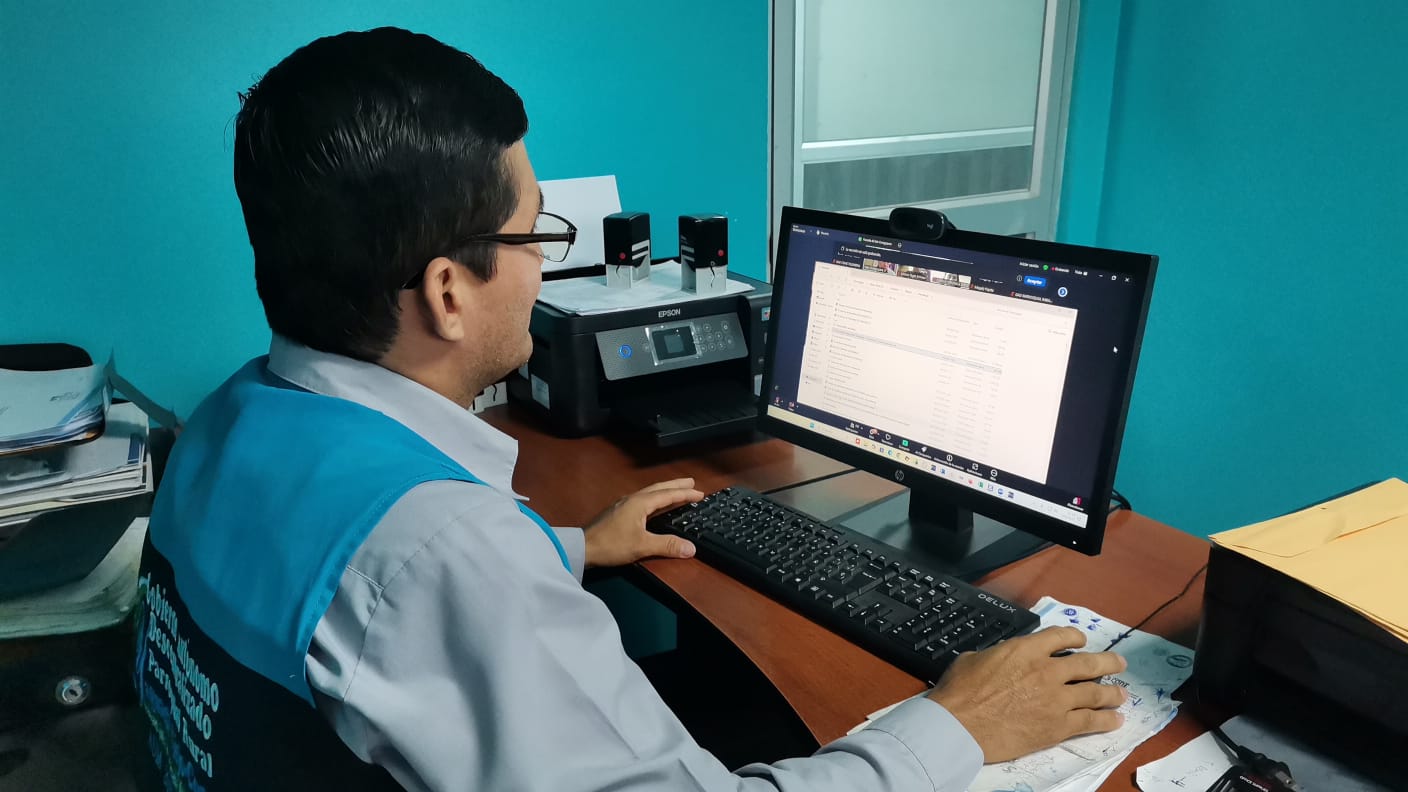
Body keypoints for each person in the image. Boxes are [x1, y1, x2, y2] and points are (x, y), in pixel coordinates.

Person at [132, 26, 1127, 792]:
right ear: (447, 291)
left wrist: (564, 548)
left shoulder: (229, 420)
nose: (542, 267)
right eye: (535, 238)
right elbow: (425, 583)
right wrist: (960, 725)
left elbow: (357, 624)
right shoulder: (448, 553)